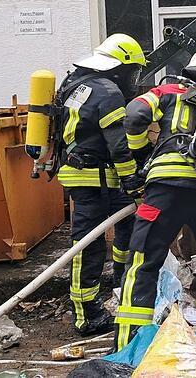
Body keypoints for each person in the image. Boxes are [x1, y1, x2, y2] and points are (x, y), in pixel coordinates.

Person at [114, 50, 196, 351]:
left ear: (188, 73)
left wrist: (141, 154)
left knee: (143, 261)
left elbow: (134, 116)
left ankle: (127, 347)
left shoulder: (165, 93)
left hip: (164, 189)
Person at [56, 33, 147, 336]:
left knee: (129, 226)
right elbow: (119, 146)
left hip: (84, 172)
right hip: (94, 176)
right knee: (88, 244)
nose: (133, 79)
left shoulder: (75, 82)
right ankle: (86, 314)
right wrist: (133, 181)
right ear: (118, 67)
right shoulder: (108, 92)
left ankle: (121, 287)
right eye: (132, 71)